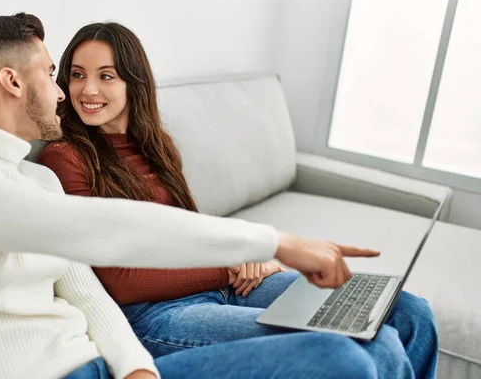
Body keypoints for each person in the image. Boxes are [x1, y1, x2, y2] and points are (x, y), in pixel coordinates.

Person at [38, 22, 439, 379]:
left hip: (221, 290)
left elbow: (189, 230)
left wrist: (247, 255)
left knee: (411, 312)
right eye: (77, 75)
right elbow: (120, 282)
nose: (87, 90)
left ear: (133, 82)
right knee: (371, 346)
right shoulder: (66, 157)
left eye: (105, 76)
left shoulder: (159, 145)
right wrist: (227, 267)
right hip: (155, 315)